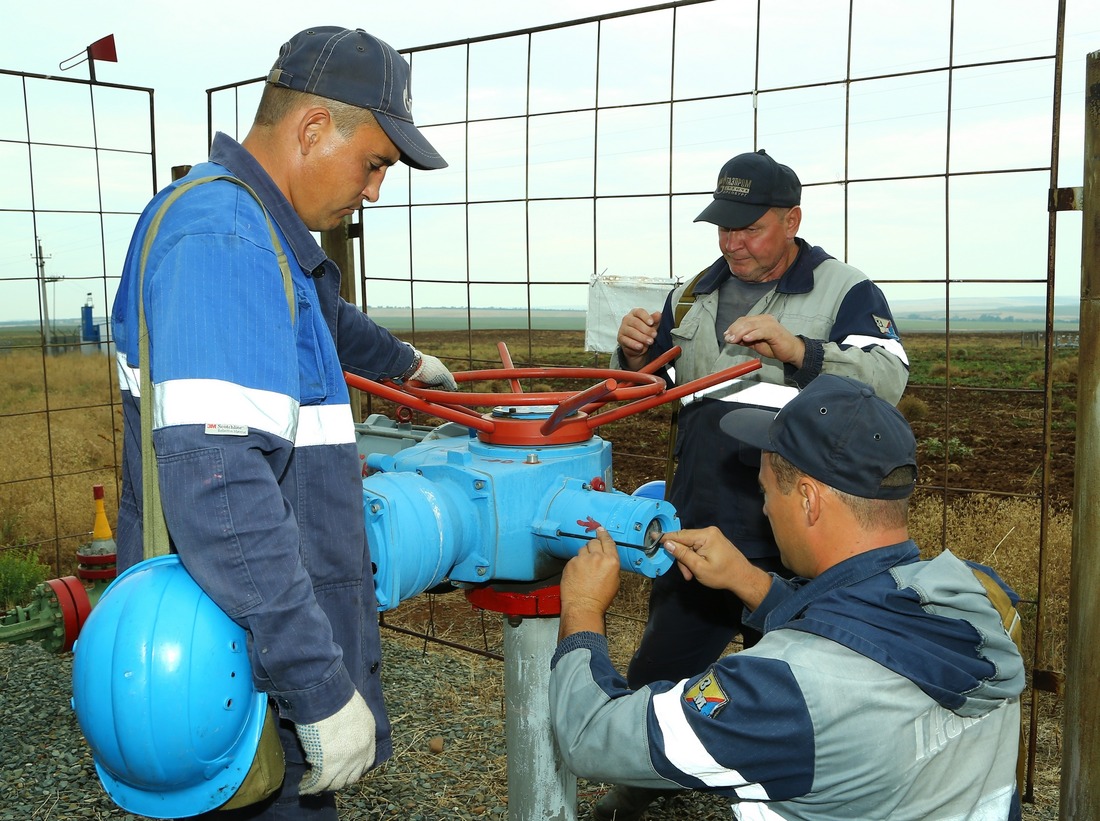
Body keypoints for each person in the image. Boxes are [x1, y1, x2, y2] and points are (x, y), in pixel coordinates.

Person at [110, 27, 457, 821]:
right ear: (311, 129)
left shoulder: (238, 224)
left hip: (233, 644)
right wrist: (319, 686)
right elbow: (221, 488)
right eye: (374, 163)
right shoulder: (225, 239)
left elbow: (317, 315)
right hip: (240, 665)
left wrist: (403, 361)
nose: (374, 190)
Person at [550, 374, 1025, 821]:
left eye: (765, 492)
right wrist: (750, 581)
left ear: (808, 500)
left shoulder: (779, 692)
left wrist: (583, 608)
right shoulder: (979, 598)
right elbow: (864, 636)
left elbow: (589, 737)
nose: (762, 508)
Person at [597, 149, 910, 819]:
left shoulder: (845, 289)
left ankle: (794, 798)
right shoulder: (694, 291)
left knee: (800, 682)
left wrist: (801, 351)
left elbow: (890, 382)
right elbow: (659, 384)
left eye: (751, 226)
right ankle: (638, 788)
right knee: (663, 667)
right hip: (706, 517)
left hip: (805, 530)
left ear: (793, 218)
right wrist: (632, 355)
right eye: (723, 226)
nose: (733, 241)